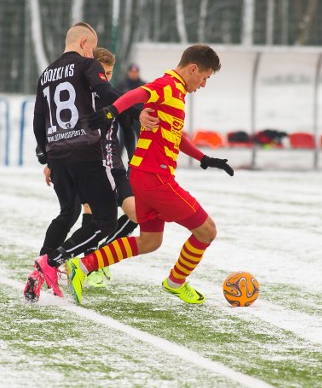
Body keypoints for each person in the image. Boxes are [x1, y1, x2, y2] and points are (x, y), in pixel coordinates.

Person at [65, 44, 234, 305]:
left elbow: (175, 135)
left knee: (150, 241)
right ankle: (176, 282)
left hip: (144, 174)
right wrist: (112, 111)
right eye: (205, 77)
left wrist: (204, 158)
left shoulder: (177, 91)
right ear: (192, 68)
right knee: (207, 231)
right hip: (156, 178)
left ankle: (83, 266)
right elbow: (136, 94)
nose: (203, 84)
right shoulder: (168, 85)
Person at [23, 22, 121, 301]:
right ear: (84, 43)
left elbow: (38, 119)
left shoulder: (46, 73)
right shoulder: (87, 66)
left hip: (58, 156)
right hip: (85, 153)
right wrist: (137, 104)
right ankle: (52, 261)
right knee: (106, 221)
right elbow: (106, 93)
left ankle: (38, 275)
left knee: (69, 212)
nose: (92, 53)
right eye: (92, 46)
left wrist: (46, 155)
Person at [41, 47, 144, 288]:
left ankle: (94, 260)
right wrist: (49, 161)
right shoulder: (80, 98)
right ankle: (60, 263)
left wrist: (132, 163)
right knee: (79, 213)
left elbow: (128, 129)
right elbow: (60, 130)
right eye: (103, 72)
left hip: (112, 167)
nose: (105, 78)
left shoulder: (109, 95)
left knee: (138, 214)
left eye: (109, 73)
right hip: (88, 166)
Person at [117, 64, 146, 164]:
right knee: (123, 141)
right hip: (125, 118)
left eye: (135, 72)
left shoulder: (143, 85)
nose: (134, 74)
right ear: (129, 72)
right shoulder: (122, 85)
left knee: (142, 141)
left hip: (139, 118)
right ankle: (118, 163)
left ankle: (141, 163)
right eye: (132, 72)